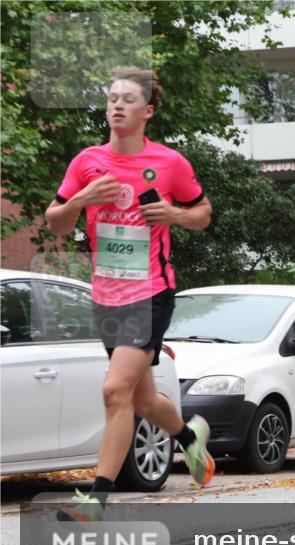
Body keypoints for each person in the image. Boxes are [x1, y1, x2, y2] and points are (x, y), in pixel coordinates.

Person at [45, 67, 214, 521]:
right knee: (141, 400)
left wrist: (174, 216)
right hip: (106, 295)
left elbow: (203, 213)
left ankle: (96, 499)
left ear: (148, 111)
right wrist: (82, 199)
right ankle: (190, 438)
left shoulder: (169, 163)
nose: (116, 106)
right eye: (112, 99)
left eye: (127, 99)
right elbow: (55, 221)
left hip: (151, 291)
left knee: (114, 390)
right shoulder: (87, 161)